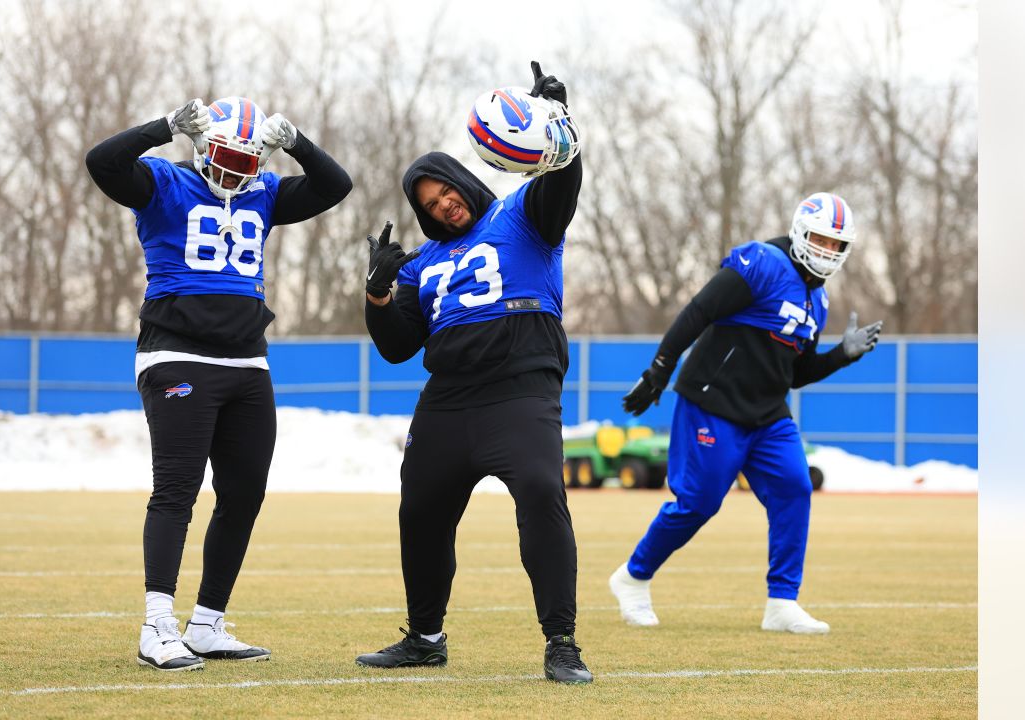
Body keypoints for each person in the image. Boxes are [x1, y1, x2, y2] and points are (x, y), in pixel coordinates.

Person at [85, 96, 351, 670]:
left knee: (245, 493)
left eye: (247, 160)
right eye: (225, 157)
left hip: (247, 361)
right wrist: (161, 127)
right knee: (177, 491)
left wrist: (298, 142)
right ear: (202, 147)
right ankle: (156, 626)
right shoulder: (164, 181)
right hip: (176, 353)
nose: (236, 171)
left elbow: (336, 185)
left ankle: (206, 623)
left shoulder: (265, 191)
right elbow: (101, 162)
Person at [354, 62, 592, 684]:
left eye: (445, 190)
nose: (443, 204)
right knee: (420, 512)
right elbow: (397, 347)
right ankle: (425, 637)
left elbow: (562, 182)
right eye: (429, 204)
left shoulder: (522, 217)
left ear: (461, 178)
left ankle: (561, 641)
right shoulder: (421, 264)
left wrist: (555, 127)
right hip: (449, 400)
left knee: (542, 493)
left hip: (520, 388)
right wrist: (377, 294)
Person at [609, 192, 883, 635]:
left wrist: (841, 356)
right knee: (698, 503)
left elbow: (794, 373)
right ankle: (632, 577)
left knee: (795, 487)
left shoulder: (820, 300)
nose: (827, 251)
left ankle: (782, 602)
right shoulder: (763, 263)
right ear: (799, 231)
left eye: (836, 245)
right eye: (820, 239)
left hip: (768, 414)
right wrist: (660, 369)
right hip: (712, 402)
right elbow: (698, 311)